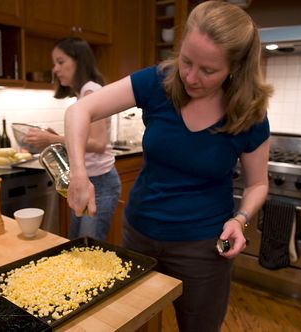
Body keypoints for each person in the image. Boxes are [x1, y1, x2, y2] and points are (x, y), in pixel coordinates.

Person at [64, 1, 272, 331]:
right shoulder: (158, 82)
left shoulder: (249, 113)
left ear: (235, 68)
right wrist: (78, 171)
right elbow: (79, 111)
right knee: (137, 322)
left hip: (203, 247)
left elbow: (257, 184)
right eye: (187, 61)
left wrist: (241, 218)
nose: (190, 76)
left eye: (208, 70)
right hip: (140, 235)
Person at [25, 37, 121, 241]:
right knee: (78, 244)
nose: (55, 69)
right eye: (54, 63)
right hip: (86, 180)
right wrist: (56, 136)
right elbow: (85, 139)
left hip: (100, 182)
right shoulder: (83, 94)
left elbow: (98, 143)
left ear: (79, 61)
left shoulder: (91, 91)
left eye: (61, 62)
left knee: (87, 249)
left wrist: (51, 139)